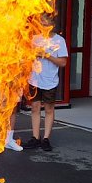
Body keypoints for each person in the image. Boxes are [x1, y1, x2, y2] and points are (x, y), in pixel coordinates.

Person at [26, 14, 68, 152]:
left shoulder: (59, 41)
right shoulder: (35, 39)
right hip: (35, 79)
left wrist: (47, 55)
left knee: (49, 109)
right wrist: (33, 54)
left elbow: (63, 62)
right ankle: (35, 138)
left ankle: (46, 139)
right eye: (41, 23)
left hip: (50, 80)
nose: (42, 25)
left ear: (52, 24)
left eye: (45, 23)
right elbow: (27, 57)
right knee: (35, 108)